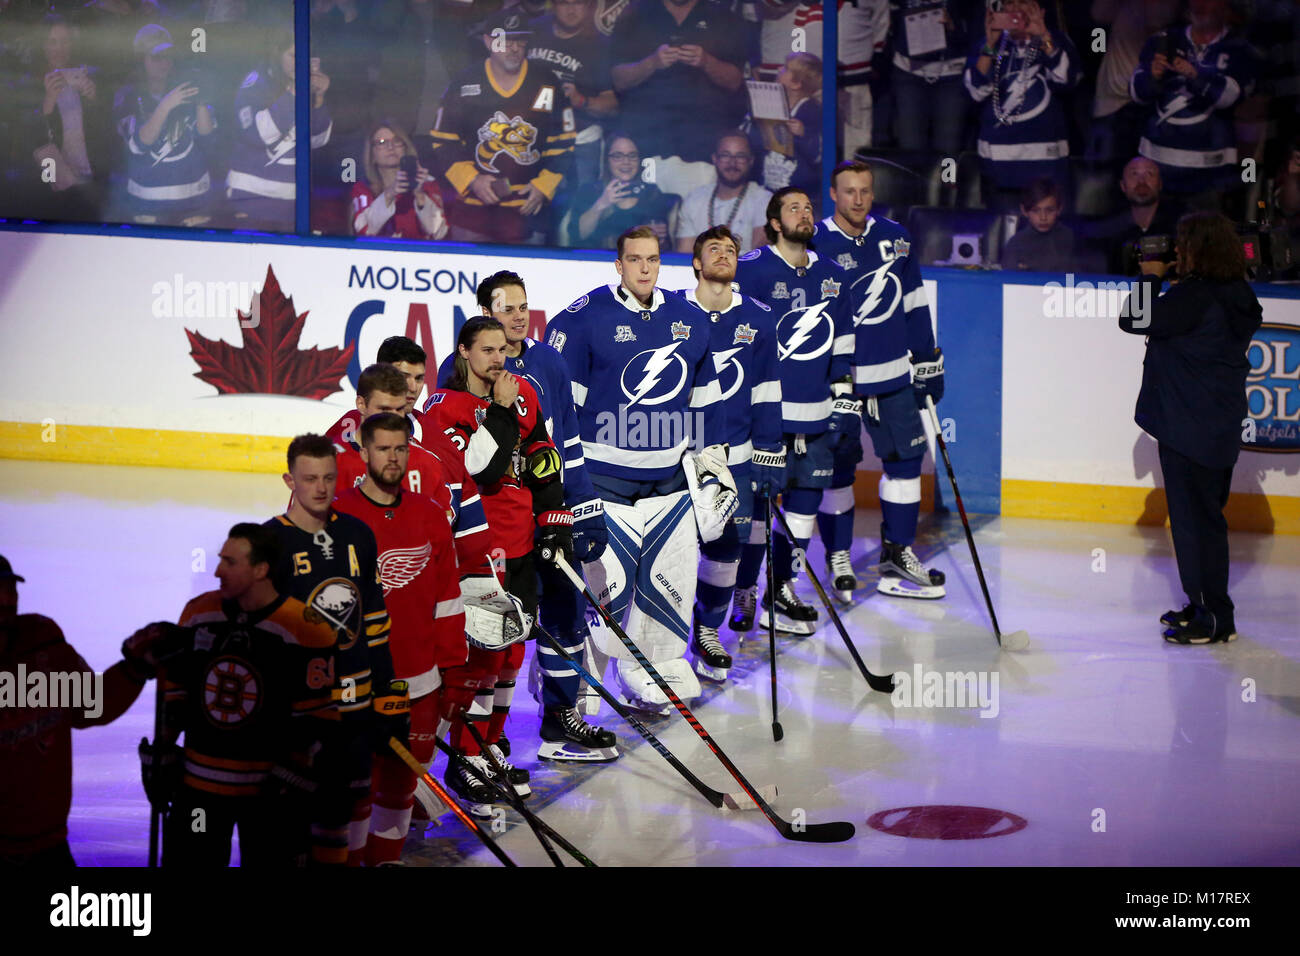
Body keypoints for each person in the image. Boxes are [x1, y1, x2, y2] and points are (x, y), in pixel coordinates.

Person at [544, 225, 732, 713]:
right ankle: (577, 693)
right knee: (603, 597)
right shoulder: (583, 321)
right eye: (635, 259)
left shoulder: (690, 318)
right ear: (619, 264)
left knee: (668, 584)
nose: (644, 268)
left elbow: (704, 404)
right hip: (603, 487)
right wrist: (564, 487)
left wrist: (712, 470)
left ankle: (655, 670)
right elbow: (562, 415)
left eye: (652, 259)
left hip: (668, 487)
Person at [435, 271, 618, 759]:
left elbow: (558, 451)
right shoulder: (451, 386)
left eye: (523, 307)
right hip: (488, 539)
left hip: (539, 525)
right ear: (483, 319)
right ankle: (473, 749)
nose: (518, 317)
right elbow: (474, 469)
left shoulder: (548, 367)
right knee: (493, 641)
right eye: (506, 309)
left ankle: (559, 718)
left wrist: (570, 516)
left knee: (563, 616)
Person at [424, 318, 574, 811]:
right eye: (485, 350)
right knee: (482, 656)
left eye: (501, 350)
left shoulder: (525, 395)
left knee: (510, 654)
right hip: (477, 549)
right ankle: (464, 757)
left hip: (520, 543)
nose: (497, 359)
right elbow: (482, 469)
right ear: (464, 352)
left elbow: (543, 456)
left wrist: (554, 521)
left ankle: (491, 744)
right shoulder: (446, 409)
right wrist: (503, 411)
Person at [148, 525, 340, 867]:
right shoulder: (197, 614)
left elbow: (319, 722)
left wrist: (290, 778)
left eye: (229, 562)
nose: (218, 570)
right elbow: (173, 691)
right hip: (199, 792)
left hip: (269, 798)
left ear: (260, 570)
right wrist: (162, 753)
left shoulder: (307, 628)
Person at [1118, 212, 1262, 644]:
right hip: (1216, 425)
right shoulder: (1237, 292)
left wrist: (1149, 277)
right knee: (1204, 521)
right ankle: (1204, 604)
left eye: (1183, 244)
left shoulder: (1195, 297)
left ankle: (1215, 618)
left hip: (1187, 427)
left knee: (1194, 525)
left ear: (1199, 249)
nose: (1176, 251)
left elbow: (1134, 320)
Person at [331, 414, 469, 865]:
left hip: (419, 681)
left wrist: (455, 673)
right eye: (383, 448)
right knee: (354, 786)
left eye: (401, 449)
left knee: (400, 785)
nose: (393, 458)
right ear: (363, 452)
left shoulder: (429, 515)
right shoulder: (338, 517)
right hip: (354, 683)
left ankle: (386, 860)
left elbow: (448, 599)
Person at [263, 435, 406, 865]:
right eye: (309, 479)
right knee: (288, 830)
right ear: (289, 479)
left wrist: (389, 694)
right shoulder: (269, 543)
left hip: (355, 709)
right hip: (296, 716)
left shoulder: (357, 535)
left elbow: (376, 625)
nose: (321, 488)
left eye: (328, 477)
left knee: (341, 818)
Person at [815, 161, 947, 602]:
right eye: (849, 191)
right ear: (833, 194)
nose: (857, 199)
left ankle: (897, 555)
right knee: (837, 470)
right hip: (840, 381)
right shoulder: (815, 243)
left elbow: (913, 301)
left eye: (865, 191)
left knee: (907, 463)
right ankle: (838, 556)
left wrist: (928, 359)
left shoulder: (896, 237)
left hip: (893, 375)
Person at [731, 188, 855, 633]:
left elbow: (842, 340)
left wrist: (843, 396)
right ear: (776, 223)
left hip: (816, 416)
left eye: (809, 206)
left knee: (803, 509)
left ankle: (781, 587)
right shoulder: (751, 270)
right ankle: (744, 588)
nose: (806, 213)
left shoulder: (831, 273)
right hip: (766, 419)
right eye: (794, 208)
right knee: (758, 513)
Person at [677, 226, 784, 681]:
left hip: (735, 458)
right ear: (697, 263)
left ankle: (707, 631)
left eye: (732, 250)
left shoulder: (759, 318)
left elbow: (765, 391)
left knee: (725, 551)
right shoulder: (671, 312)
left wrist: (770, 452)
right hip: (678, 456)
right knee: (672, 553)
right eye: (713, 249)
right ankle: (661, 643)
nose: (724, 255)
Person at [0, 555, 153, 868]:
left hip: (50, 846)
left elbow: (89, 705)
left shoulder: (43, 641)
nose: (7, 599)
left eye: (9, 589)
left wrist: (135, 668)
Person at [430, 10, 576, 244]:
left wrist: (544, 185)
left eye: (520, 40)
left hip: (528, 210)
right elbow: (443, 140)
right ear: (488, 41)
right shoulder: (465, 82)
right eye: (505, 40)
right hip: (473, 210)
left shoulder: (547, 81)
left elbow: (564, 141)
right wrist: (472, 180)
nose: (514, 48)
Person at [1130, 0, 1259, 202]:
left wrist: (1196, 75)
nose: (1200, 5)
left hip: (1212, 173)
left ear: (1225, 6)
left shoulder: (1240, 49)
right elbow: (1136, 93)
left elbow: (1230, 97)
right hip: (1157, 168)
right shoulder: (1163, 40)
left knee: (1208, 231)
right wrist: (1152, 76)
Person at [963, 0, 1080, 212]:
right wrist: (990, 44)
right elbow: (976, 91)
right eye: (1010, 4)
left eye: (1024, 3)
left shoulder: (1056, 41)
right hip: (999, 166)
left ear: (1040, 11)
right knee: (1002, 235)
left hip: (1046, 166)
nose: (1016, 9)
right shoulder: (987, 45)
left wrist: (1043, 35)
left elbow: (1064, 79)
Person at [608, 0, 748, 167]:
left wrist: (706, 62)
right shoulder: (635, 14)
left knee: (700, 192)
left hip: (703, 143)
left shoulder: (722, 17)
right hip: (648, 141)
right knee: (647, 191)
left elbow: (734, 81)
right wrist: (651, 63)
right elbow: (618, 80)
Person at [225, 30, 332, 230]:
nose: (301, 62)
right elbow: (255, 134)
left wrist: (319, 98)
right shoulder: (256, 82)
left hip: (292, 204)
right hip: (250, 199)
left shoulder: (306, 85)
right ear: (277, 52)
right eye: (294, 56)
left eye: (306, 57)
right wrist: (294, 92)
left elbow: (317, 140)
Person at [111, 24, 216, 226]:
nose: (165, 63)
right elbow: (137, 145)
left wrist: (202, 101)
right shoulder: (127, 95)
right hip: (147, 207)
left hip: (194, 203)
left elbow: (207, 136)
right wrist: (166, 105)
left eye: (168, 56)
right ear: (140, 61)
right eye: (156, 57)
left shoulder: (184, 86)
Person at [18, 14, 109, 221]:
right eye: (53, 42)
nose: (60, 48)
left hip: (90, 183)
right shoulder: (30, 82)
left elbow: (104, 133)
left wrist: (93, 100)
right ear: (42, 45)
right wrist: (48, 100)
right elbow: (28, 138)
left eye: (65, 41)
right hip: (53, 187)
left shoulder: (84, 76)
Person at [527, 0, 620, 187]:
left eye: (578, 3)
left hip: (580, 142)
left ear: (589, 6)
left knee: (579, 205)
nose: (571, 10)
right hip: (532, 137)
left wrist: (580, 100)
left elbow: (612, 105)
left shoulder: (600, 45)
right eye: (564, 3)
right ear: (553, 5)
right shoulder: (534, 31)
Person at [888, 0, 982, 154]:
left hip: (952, 74)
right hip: (909, 72)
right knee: (910, 148)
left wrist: (954, 27)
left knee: (949, 150)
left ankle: (948, 179)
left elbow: (978, 31)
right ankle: (914, 179)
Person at [568, 133, 675, 248]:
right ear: (606, 160)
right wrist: (602, 203)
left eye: (632, 155)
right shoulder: (590, 191)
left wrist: (659, 238)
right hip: (596, 261)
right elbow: (578, 235)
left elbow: (665, 246)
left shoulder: (651, 192)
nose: (626, 162)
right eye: (618, 156)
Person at [674, 131, 773, 255]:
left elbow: (758, 258)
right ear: (715, 159)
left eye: (740, 156)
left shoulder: (764, 200)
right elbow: (685, 255)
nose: (732, 163)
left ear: (750, 161)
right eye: (725, 155)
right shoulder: (694, 200)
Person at [350, 119, 447, 239]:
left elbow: (438, 232)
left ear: (405, 149)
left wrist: (420, 196)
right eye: (381, 142)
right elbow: (363, 230)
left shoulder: (427, 183)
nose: (390, 147)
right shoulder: (362, 188)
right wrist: (389, 195)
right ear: (372, 155)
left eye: (396, 141)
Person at [1088, 156, 1183, 277]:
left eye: (1149, 174)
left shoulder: (1181, 228)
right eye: (1134, 174)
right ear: (1123, 186)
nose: (1142, 181)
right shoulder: (1107, 231)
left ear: (1160, 184)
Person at [747, 52, 822, 198]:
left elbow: (818, 153)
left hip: (799, 190)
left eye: (786, 68)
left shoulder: (812, 110)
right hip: (766, 188)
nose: (779, 69)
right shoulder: (770, 104)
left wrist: (803, 134)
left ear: (796, 83)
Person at [999, 176, 1077, 272]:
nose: (1043, 217)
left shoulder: (1071, 240)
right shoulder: (1016, 244)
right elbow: (1008, 281)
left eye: (1049, 210)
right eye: (1036, 211)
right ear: (1024, 211)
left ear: (1059, 209)